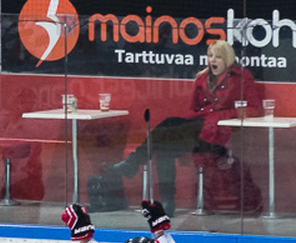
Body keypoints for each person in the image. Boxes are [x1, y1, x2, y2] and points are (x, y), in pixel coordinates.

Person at [106, 40, 262, 214]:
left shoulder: (241, 77)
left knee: (167, 126)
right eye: (210, 56)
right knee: (165, 146)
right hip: (198, 130)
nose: (213, 61)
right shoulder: (201, 78)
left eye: (218, 57)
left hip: (220, 135)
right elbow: (192, 110)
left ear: (227, 58)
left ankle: (132, 164)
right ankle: (168, 202)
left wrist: (222, 115)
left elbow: (254, 109)